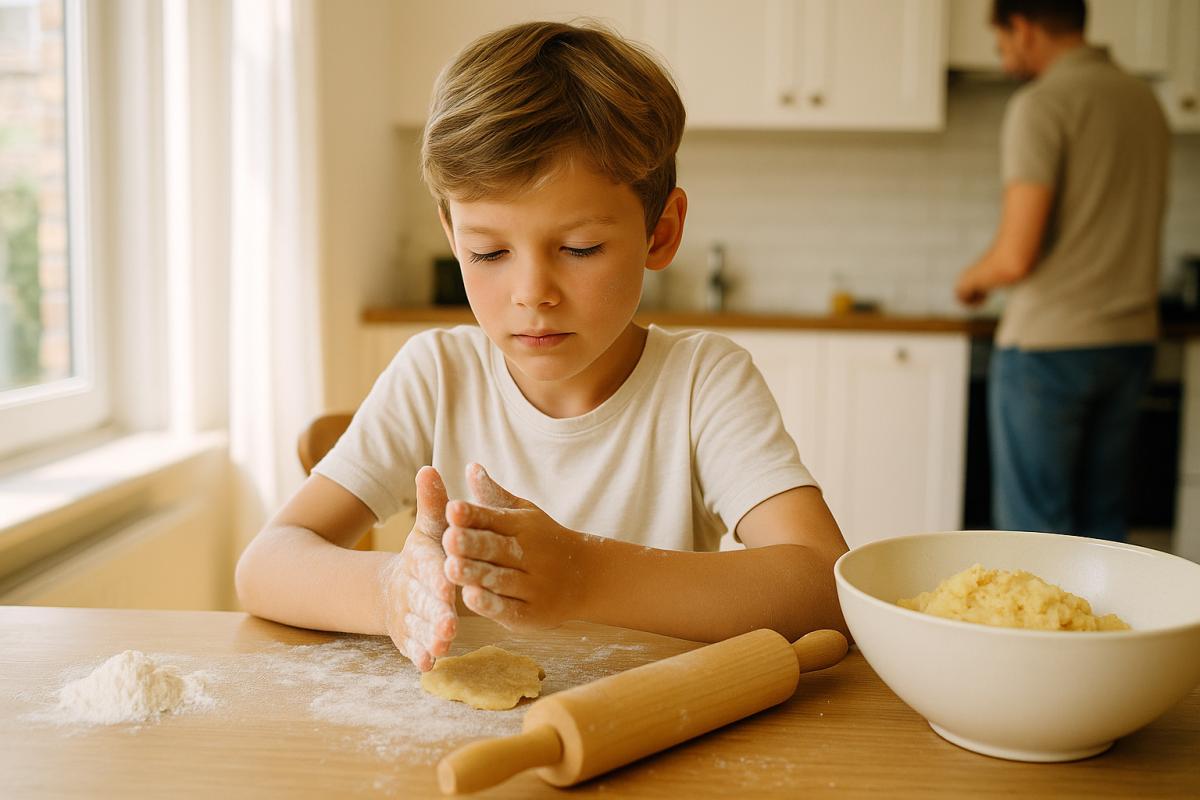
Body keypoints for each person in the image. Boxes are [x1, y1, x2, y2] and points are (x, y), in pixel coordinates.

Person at [235, 20, 849, 671]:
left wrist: (586, 576)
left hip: (653, 736)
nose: (532, 292)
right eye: (489, 251)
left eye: (579, 248)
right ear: (451, 232)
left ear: (660, 233)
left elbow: (821, 585)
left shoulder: (703, 383)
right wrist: (392, 592)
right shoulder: (434, 376)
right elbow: (266, 564)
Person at [954, 0, 1169, 541]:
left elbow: (1015, 255)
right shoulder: (1145, 100)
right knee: (1103, 531)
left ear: (1023, 28)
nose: (1004, 61)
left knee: (1036, 536)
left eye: (1002, 44)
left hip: (1050, 347)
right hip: (1130, 341)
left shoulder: (1043, 103)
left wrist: (970, 280)